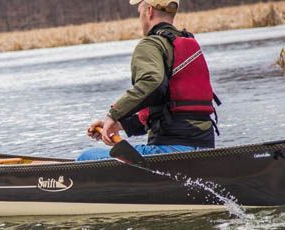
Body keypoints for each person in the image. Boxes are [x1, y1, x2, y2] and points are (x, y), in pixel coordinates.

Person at [77, 0, 220, 161]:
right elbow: (165, 108)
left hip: (171, 151)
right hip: (204, 147)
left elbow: (153, 83)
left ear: (149, 11)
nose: (140, 18)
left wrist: (113, 115)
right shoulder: (188, 42)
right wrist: (118, 125)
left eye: (139, 12)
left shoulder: (150, 45)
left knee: (86, 156)